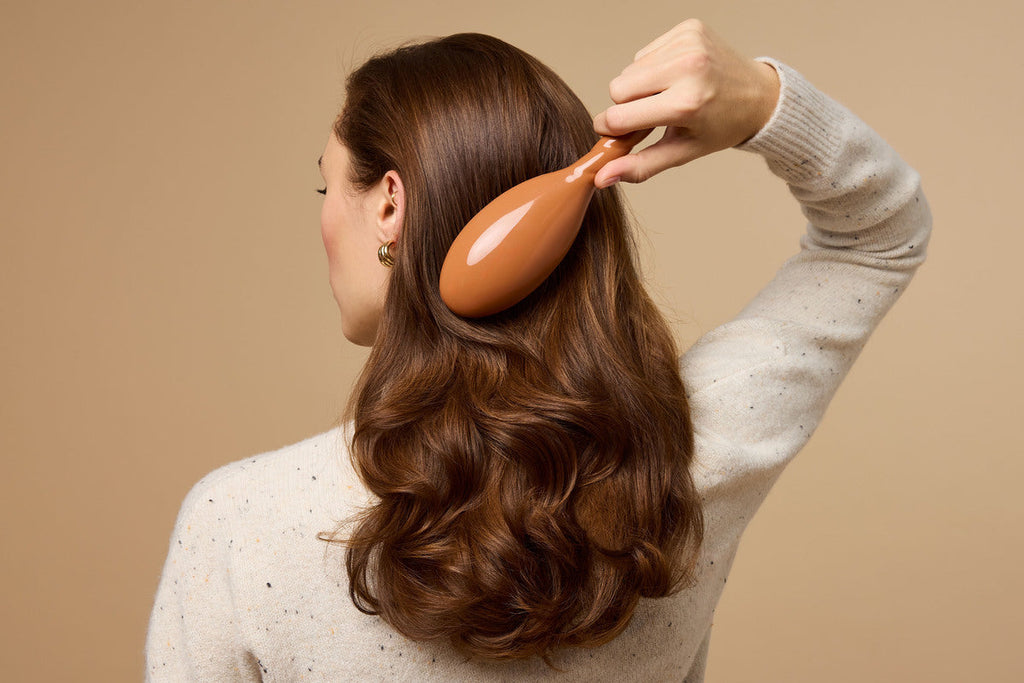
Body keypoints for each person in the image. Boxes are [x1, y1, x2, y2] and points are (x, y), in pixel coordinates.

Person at [145, 19, 932, 681]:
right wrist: (764, 100)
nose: (322, 219)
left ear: (390, 204)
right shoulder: (694, 460)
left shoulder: (241, 524)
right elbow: (880, 234)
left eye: (327, 189)